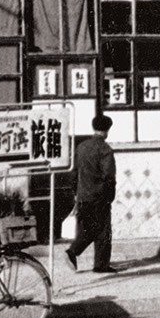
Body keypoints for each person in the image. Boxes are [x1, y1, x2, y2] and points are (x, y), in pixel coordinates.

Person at [64, 113, 119, 274]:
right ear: (107, 130)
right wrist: (110, 195)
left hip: (83, 195)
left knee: (89, 227)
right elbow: (109, 176)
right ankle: (88, 259)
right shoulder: (105, 150)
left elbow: (74, 172)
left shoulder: (81, 147)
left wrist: (75, 192)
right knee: (103, 230)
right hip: (99, 196)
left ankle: (81, 255)